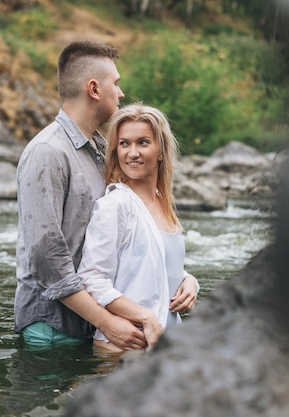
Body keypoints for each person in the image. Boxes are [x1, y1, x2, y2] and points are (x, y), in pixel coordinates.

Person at [14, 41, 148, 350]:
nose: (122, 92)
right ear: (94, 89)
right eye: (115, 83)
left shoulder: (101, 150)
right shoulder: (47, 152)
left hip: (92, 326)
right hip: (53, 331)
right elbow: (46, 258)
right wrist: (107, 322)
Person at [77, 103, 200, 352]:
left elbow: (152, 264)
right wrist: (144, 317)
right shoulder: (115, 204)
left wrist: (189, 282)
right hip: (122, 349)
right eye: (124, 143)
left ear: (161, 151)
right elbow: (92, 278)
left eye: (143, 142)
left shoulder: (163, 203)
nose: (132, 153)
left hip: (164, 346)